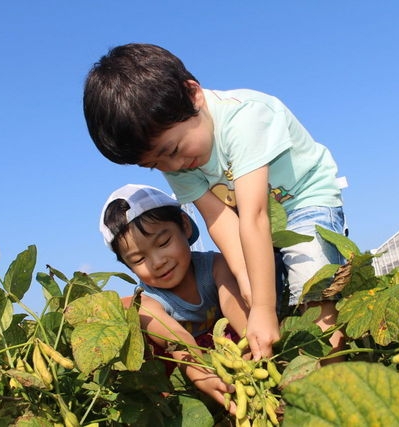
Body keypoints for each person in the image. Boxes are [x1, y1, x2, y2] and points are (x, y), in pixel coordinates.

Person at [85, 43, 346, 361]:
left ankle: (332, 371)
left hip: (305, 201)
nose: (171, 167)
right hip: (256, 222)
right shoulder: (175, 158)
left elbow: (255, 215)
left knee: (311, 286)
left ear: (193, 94)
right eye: (154, 165)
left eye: (172, 151)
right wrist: (246, 279)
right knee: (263, 292)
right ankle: (290, 368)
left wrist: (261, 307)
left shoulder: (244, 119)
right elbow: (220, 219)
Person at [100, 183, 249, 411]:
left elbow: (232, 301)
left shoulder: (215, 265)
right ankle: (168, 405)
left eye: (163, 243)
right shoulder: (147, 299)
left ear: (185, 226)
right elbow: (175, 337)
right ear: (129, 267)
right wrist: (198, 372)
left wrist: (251, 344)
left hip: (227, 348)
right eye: (139, 260)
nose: (158, 262)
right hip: (185, 359)